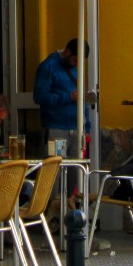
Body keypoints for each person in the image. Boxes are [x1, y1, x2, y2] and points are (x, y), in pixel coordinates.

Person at [34, 38, 91, 197]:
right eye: (74, 60)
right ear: (67, 52)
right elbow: (39, 97)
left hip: (76, 127)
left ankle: (69, 211)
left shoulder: (75, 69)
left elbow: (82, 99)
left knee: (75, 174)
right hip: (55, 128)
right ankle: (50, 212)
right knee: (53, 174)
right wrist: (67, 97)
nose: (76, 64)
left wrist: (87, 127)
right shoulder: (48, 67)